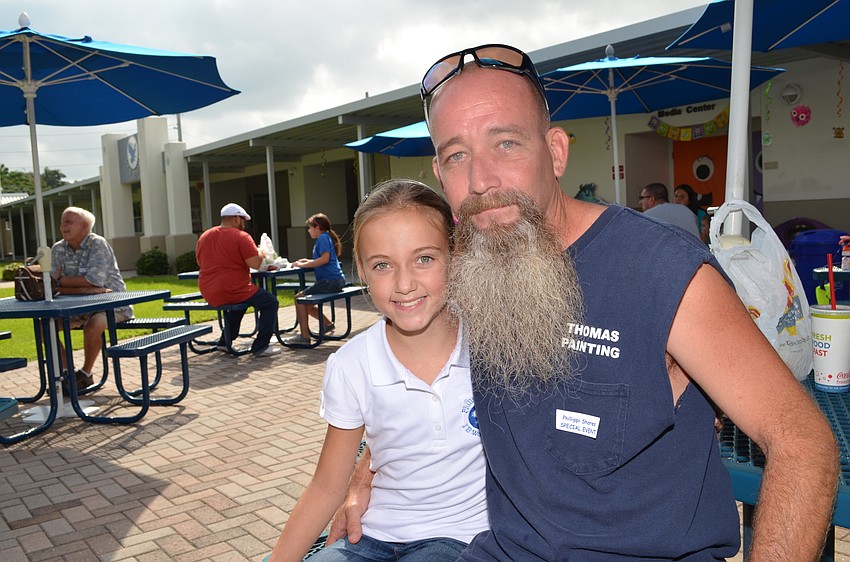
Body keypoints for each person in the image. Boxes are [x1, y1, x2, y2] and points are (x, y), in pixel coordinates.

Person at [331, 44, 839, 560]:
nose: (481, 181)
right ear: (439, 175)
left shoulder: (658, 271)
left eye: (505, 143)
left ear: (555, 152)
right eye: (457, 155)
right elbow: (427, 386)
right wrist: (366, 471)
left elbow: (804, 444)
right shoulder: (468, 270)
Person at [269, 179, 488, 561]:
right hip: (372, 533)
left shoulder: (493, 346)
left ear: (455, 257)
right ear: (363, 274)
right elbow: (326, 486)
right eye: (383, 265)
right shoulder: (351, 364)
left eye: (424, 258)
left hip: (457, 538)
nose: (404, 284)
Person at [50, 206, 133, 393]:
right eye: (62, 221)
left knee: (94, 325)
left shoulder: (97, 244)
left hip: (113, 305)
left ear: (85, 227)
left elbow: (94, 280)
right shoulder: (57, 248)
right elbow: (51, 283)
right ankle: (68, 374)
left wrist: (63, 282)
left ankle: (85, 375)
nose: (63, 226)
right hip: (76, 307)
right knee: (44, 327)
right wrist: (82, 288)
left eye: (69, 222)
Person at [196, 203, 280, 357]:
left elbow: (200, 261)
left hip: (208, 290)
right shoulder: (241, 236)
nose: (244, 223)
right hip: (234, 288)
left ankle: (224, 342)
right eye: (243, 219)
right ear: (236, 218)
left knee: (240, 303)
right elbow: (255, 263)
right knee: (270, 302)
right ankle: (261, 346)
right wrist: (261, 252)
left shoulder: (204, 236)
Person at [284, 213, 346, 346]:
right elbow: (323, 259)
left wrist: (302, 265)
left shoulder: (323, 238)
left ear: (317, 227)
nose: (308, 230)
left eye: (310, 227)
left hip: (331, 281)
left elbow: (324, 259)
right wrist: (308, 261)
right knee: (308, 304)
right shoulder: (325, 237)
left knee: (299, 299)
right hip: (335, 280)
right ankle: (327, 325)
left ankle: (304, 337)